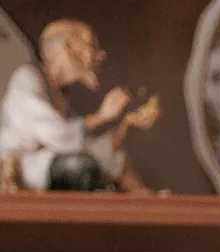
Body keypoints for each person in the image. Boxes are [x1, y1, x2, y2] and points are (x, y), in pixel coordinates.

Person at [0, 19, 158, 192]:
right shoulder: (27, 79)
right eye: (91, 45)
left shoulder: (59, 96)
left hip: (49, 162)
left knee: (111, 161)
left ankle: (149, 204)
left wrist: (127, 125)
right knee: (79, 167)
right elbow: (57, 135)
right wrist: (101, 116)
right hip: (25, 167)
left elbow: (89, 146)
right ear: (68, 48)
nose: (100, 55)